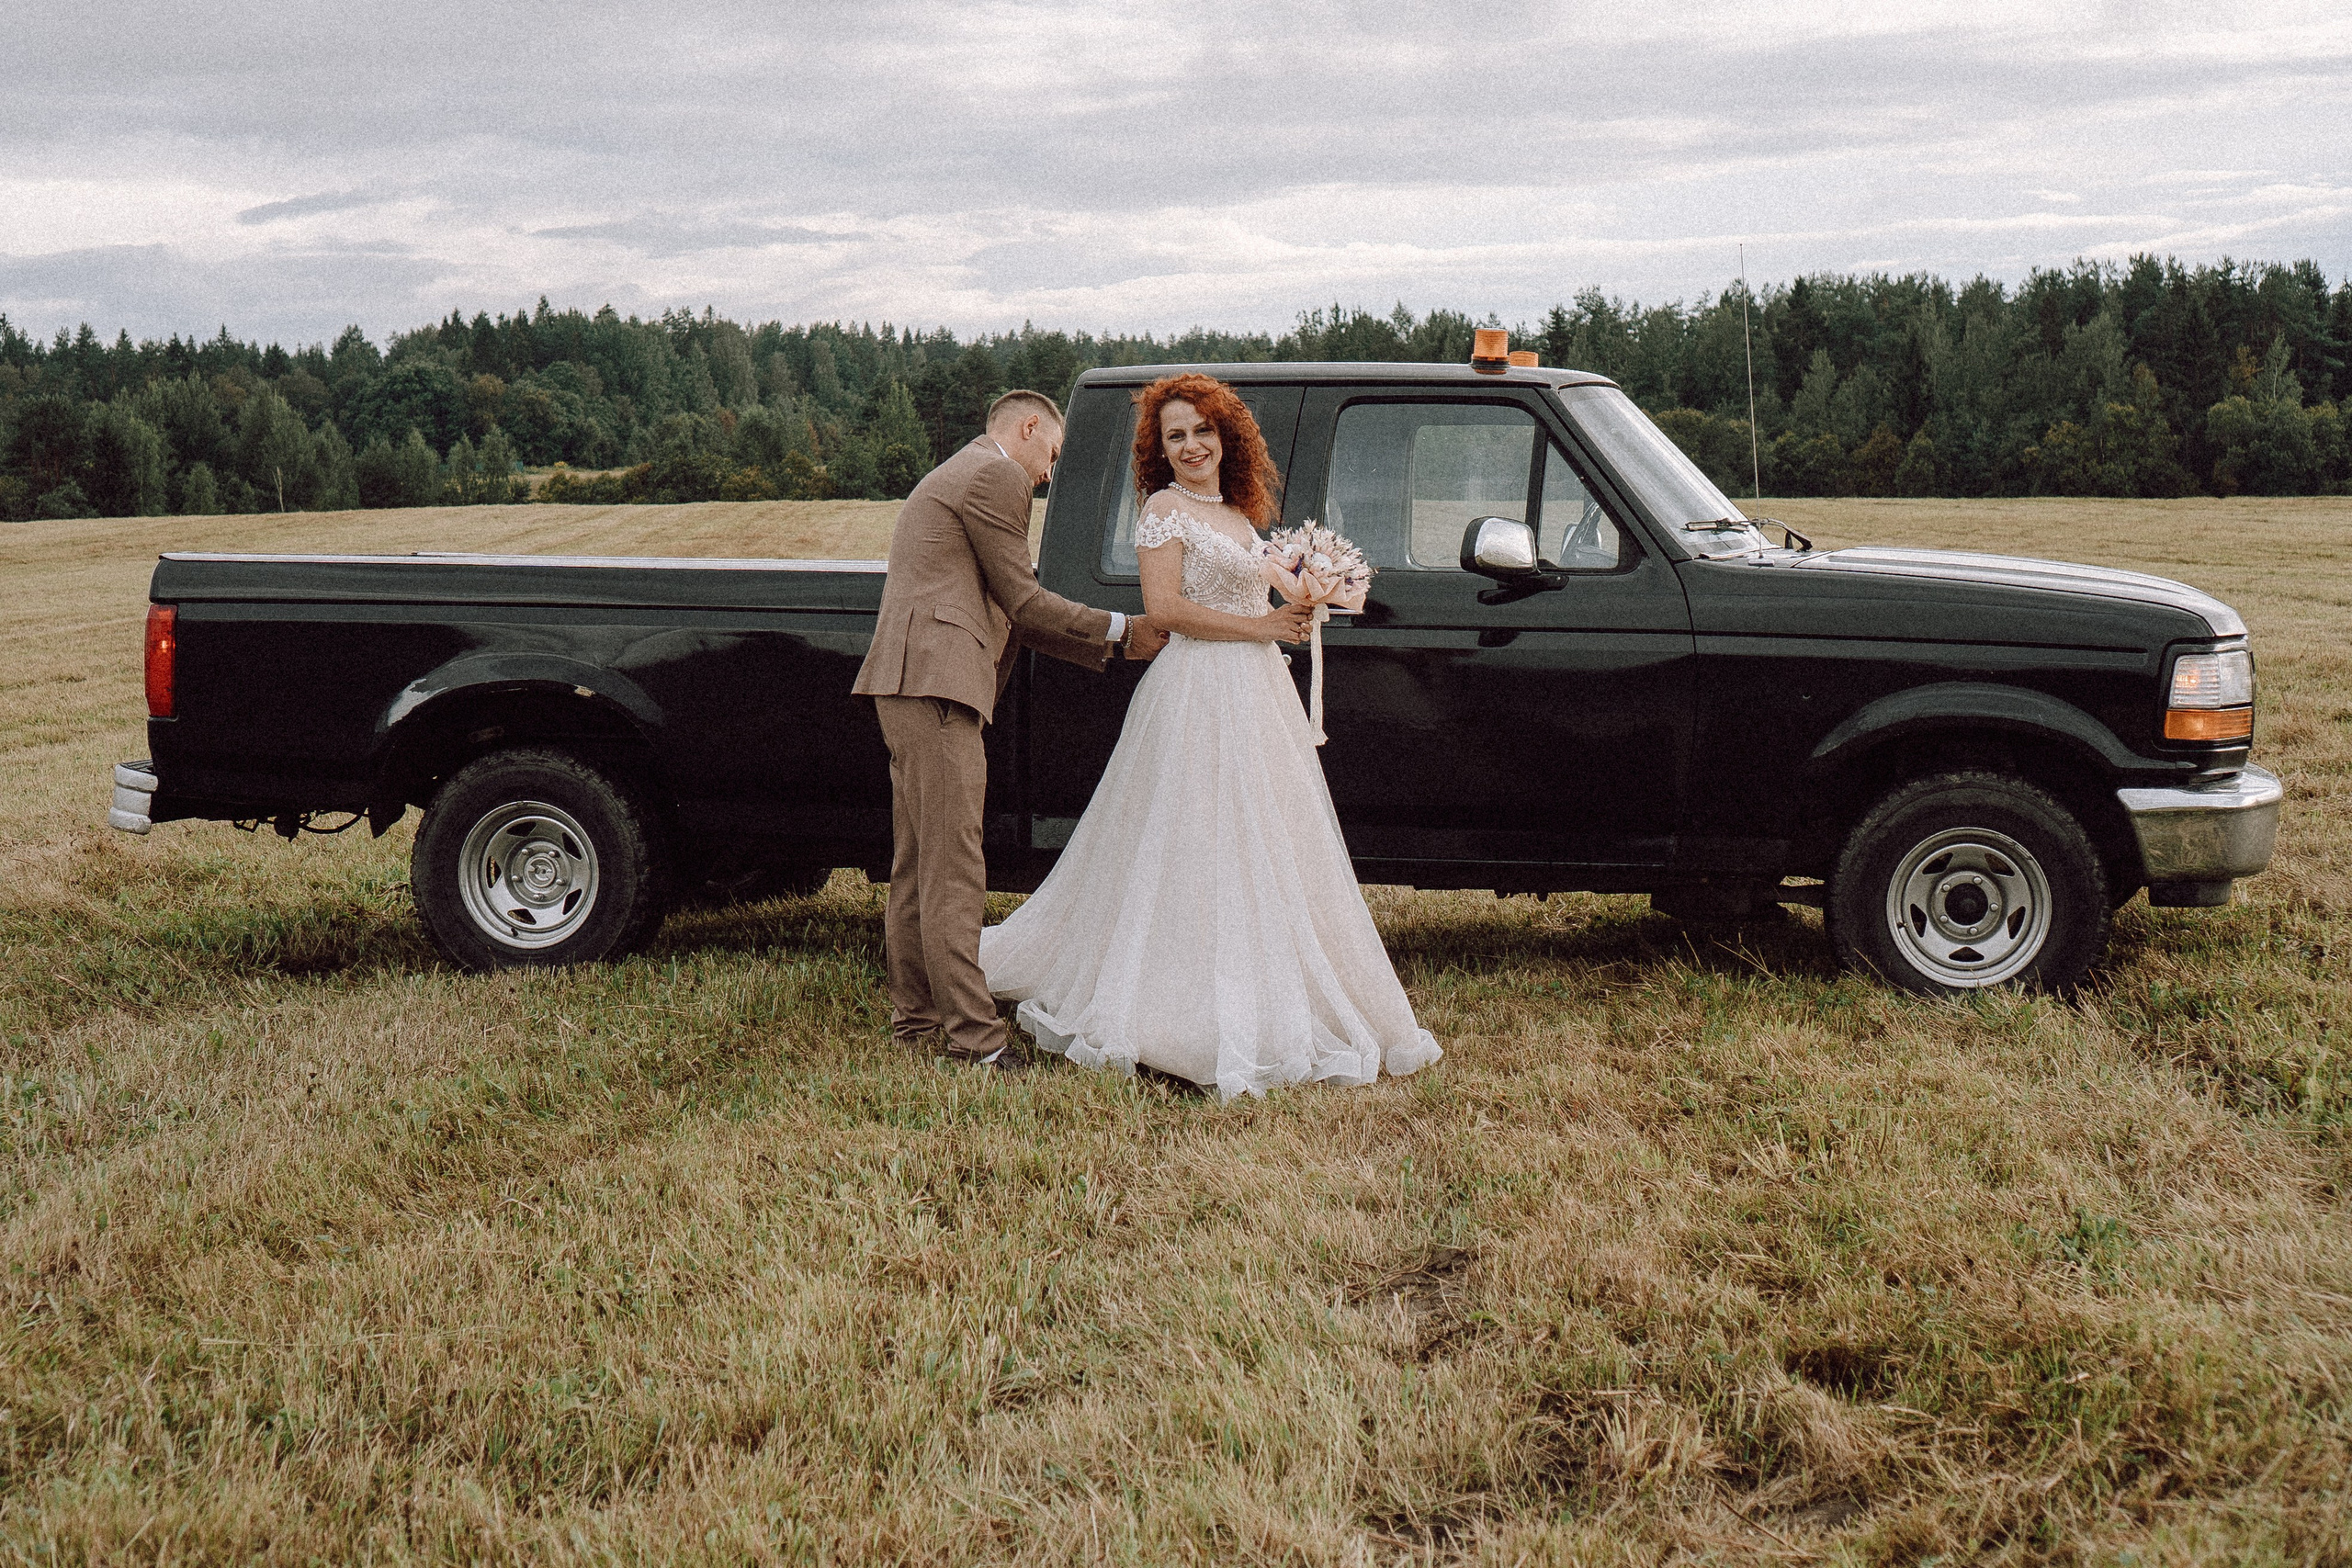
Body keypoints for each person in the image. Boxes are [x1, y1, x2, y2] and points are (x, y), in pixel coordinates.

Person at [979, 373, 1443, 1099]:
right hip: (1195, 688)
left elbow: (1254, 592)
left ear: (1227, 435)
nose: (1192, 445)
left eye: (1202, 429)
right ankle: (1172, 1007)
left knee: (1264, 842)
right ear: (1159, 450)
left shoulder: (1238, 514)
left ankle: (1260, 990)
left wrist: (1305, 603)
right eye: (1175, 435)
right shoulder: (1163, 510)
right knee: (1190, 840)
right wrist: (1263, 625)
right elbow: (1164, 610)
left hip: (1256, 691)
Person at [853, 389, 1167, 1068]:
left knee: (919, 865)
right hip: (936, 686)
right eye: (1051, 453)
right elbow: (1024, 598)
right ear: (1028, 429)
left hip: (909, 684)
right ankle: (976, 1039)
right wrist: (1123, 628)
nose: (1050, 472)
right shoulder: (995, 474)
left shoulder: (956, 473)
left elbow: (1013, 612)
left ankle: (917, 1020)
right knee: (955, 867)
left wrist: (1108, 648)